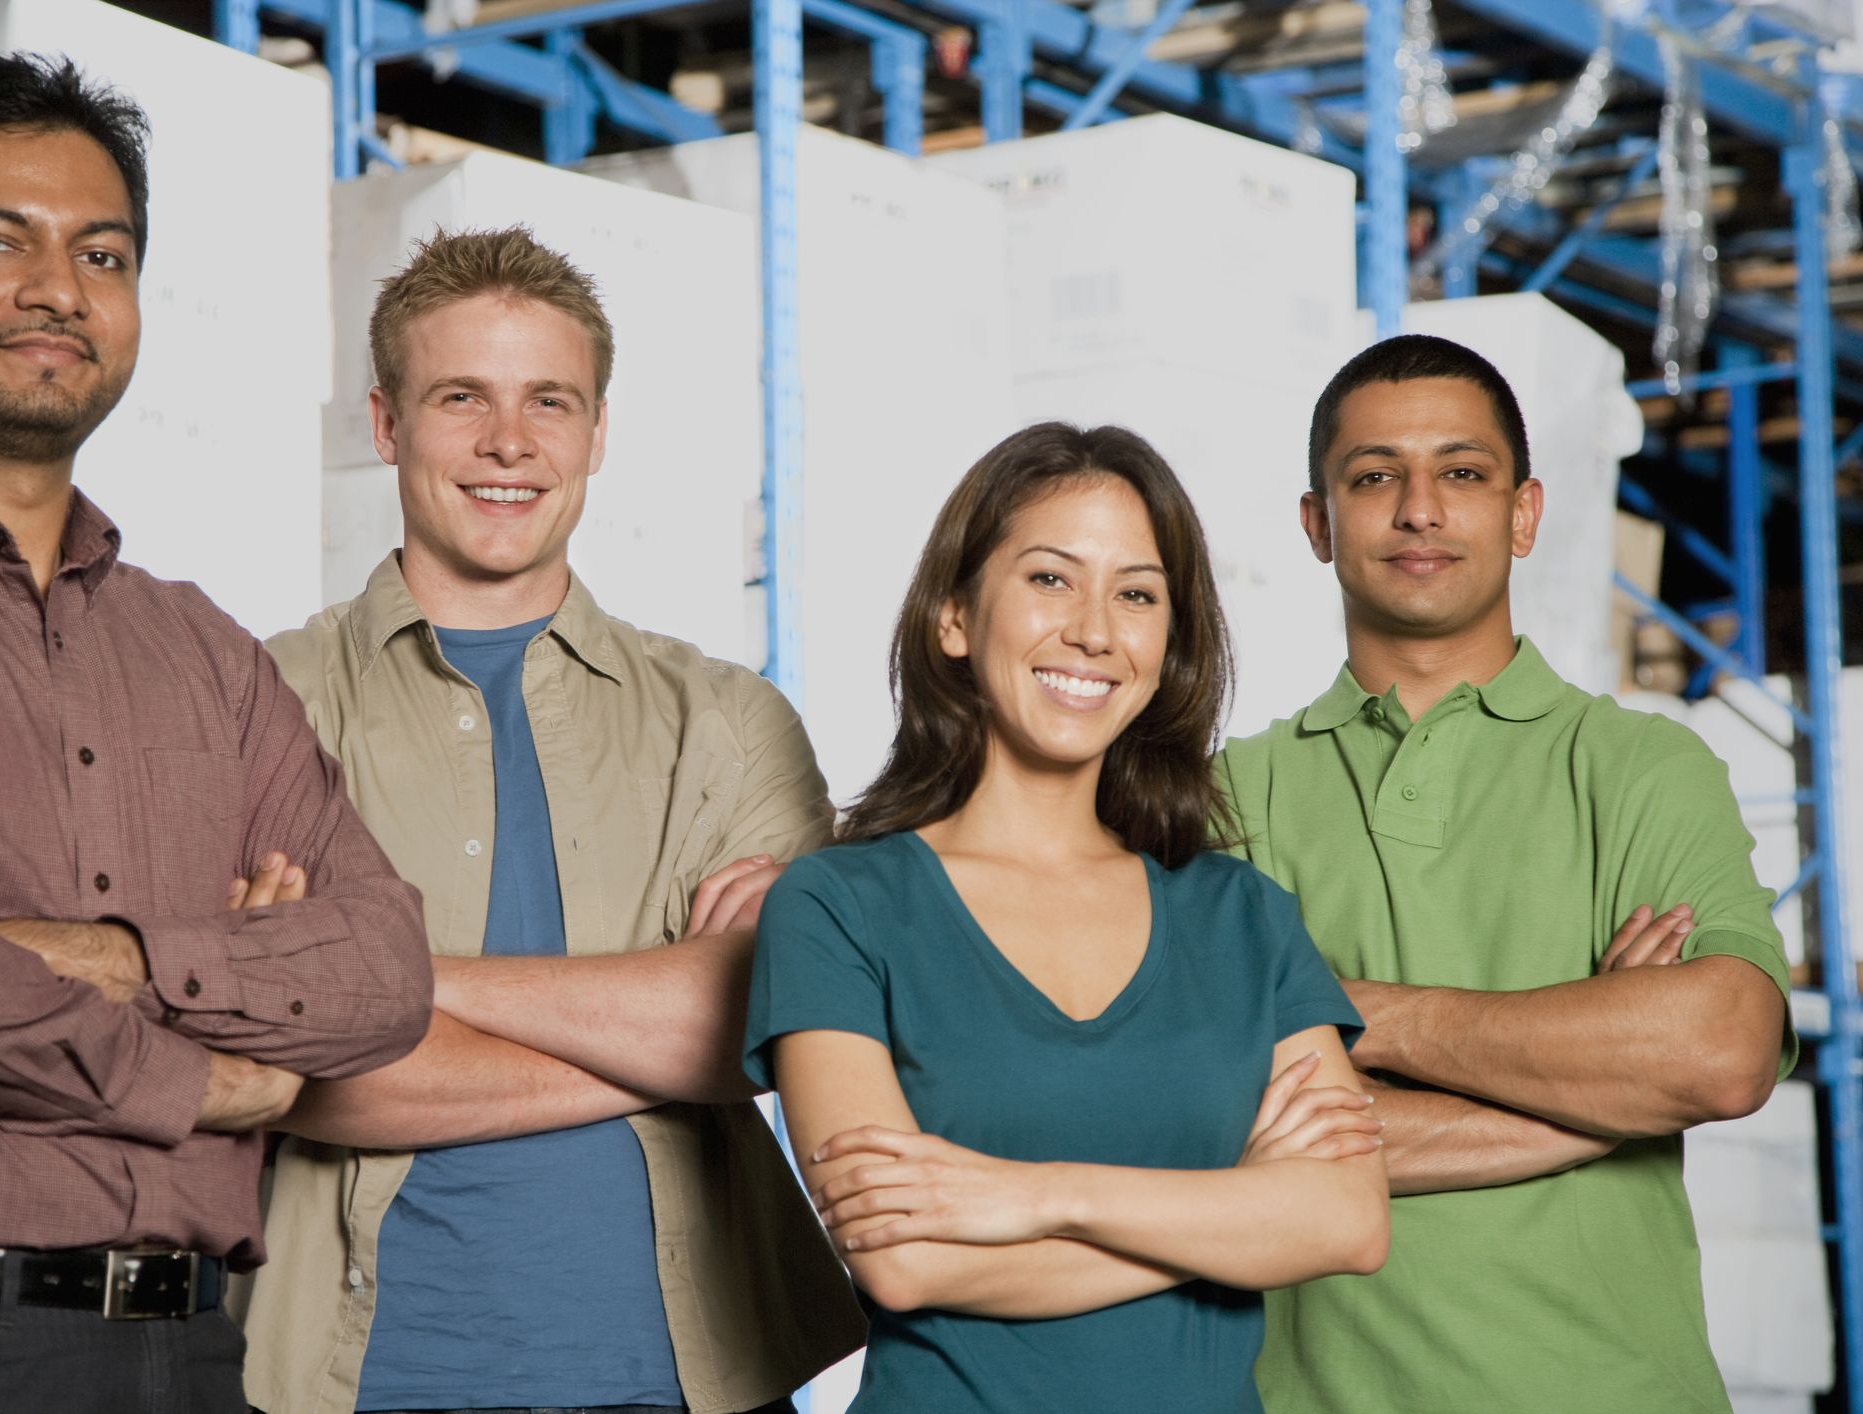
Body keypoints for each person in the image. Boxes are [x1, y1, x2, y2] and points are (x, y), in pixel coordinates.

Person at [0, 52, 433, 1414]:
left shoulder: (207, 654)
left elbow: (382, 966)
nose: (57, 287)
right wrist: (212, 1075)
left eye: (100, 252)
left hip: (189, 1355)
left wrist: (103, 956)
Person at [236, 226, 863, 1414]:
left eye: (549, 402)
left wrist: (394, 977)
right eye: (461, 396)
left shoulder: (729, 723)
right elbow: (286, 1067)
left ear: (597, 432)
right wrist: (668, 1019)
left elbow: (766, 1034)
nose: (509, 443)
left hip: (686, 1380)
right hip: (361, 1380)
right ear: (384, 425)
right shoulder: (262, 705)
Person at [743, 422, 1391, 1414]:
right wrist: (1234, 1211)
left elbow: (1347, 1219)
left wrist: (1034, 1194)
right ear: (955, 616)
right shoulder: (838, 907)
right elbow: (903, 1258)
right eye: (1051, 578)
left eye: (1137, 593)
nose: (1095, 629)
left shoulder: (1241, 918)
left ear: (1168, 643)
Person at [1224, 334, 1793, 1413]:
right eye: (1374, 475)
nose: (1421, 509)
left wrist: (1347, 1014)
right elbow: (1221, 1114)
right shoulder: (1224, 798)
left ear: (1524, 514)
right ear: (1318, 523)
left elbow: (1720, 1052)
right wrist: (1602, 1082)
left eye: (1464, 473)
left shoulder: (1639, 766)